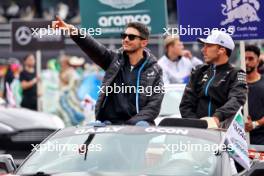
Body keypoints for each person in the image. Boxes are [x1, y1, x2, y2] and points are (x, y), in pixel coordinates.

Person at [53, 17, 164, 125]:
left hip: (138, 129)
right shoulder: (114, 59)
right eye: (124, 36)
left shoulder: (155, 70)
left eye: (131, 37)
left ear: (143, 43)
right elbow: (93, 48)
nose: (125, 39)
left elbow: (154, 104)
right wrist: (73, 30)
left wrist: (133, 124)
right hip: (109, 127)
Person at [179, 30, 247, 128]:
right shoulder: (199, 71)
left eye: (208, 46)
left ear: (221, 50)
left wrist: (217, 117)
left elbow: (237, 99)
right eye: (204, 46)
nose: (203, 50)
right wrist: (198, 125)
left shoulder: (236, 73)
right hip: (197, 131)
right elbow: (185, 105)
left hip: (224, 132)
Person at [244, 45, 264, 145]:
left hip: (260, 140)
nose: (247, 62)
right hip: (239, 138)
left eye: (251, 59)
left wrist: (255, 124)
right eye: (244, 59)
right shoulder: (235, 83)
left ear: (258, 61)